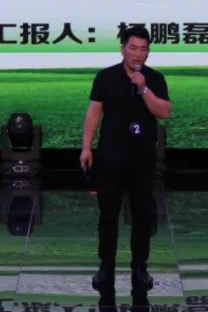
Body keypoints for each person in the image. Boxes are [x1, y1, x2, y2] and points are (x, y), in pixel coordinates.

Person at [81, 26, 171, 293]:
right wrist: (86, 147)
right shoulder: (106, 77)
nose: (138, 54)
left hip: (142, 158)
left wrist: (143, 88)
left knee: (142, 215)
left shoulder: (154, 79)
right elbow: (94, 112)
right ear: (123, 49)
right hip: (110, 156)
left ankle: (139, 267)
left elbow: (163, 112)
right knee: (108, 214)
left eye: (143, 49)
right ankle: (106, 266)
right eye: (133, 48)